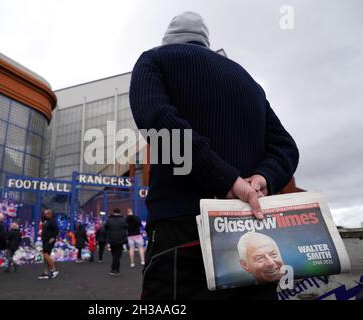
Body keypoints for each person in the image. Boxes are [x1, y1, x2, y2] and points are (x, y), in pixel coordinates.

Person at [129, 12, 299, 299]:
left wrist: (226, 180)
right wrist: (261, 180)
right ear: (205, 41)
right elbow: (285, 146)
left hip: (182, 230)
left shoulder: (154, 59)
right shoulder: (246, 80)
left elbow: (158, 121)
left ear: (168, 39)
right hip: (251, 227)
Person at [104, 208, 128, 276]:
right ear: (120, 212)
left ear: (113, 212)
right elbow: (126, 227)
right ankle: (114, 270)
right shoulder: (123, 220)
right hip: (120, 240)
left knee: (114, 254)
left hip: (111, 240)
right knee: (117, 256)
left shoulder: (109, 220)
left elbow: (105, 227)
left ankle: (116, 270)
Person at [38, 209, 59, 279]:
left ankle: (54, 269)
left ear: (50, 214)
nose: (45, 215)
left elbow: (56, 230)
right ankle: (46, 272)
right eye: (45, 214)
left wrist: (53, 237)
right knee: (46, 256)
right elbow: (43, 219)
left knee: (45, 254)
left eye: (47, 214)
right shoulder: (47, 220)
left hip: (49, 240)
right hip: (45, 239)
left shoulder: (53, 221)